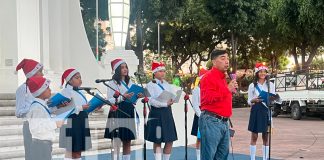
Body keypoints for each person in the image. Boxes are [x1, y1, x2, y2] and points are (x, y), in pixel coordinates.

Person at [199, 49, 238, 159]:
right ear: (214, 61)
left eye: (228, 59)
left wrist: (229, 90)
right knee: (209, 156)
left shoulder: (223, 78)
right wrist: (227, 89)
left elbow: (222, 97)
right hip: (211, 121)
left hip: (224, 122)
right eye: (223, 58)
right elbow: (207, 98)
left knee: (222, 156)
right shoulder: (208, 77)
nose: (227, 61)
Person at [104, 59, 141, 160]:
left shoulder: (130, 82)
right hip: (117, 111)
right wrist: (122, 97)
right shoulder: (112, 83)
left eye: (126, 67)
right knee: (116, 141)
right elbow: (109, 100)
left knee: (127, 140)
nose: (125, 69)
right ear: (116, 70)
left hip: (128, 111)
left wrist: (136, 97)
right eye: (122, 67)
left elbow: (132, 101)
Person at [26, 76, 64, 160]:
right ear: (41, 91)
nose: (50, 90)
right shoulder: (37, 108)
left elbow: (44, 117)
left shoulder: (40, 105)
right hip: (40, 146)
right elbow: (36, 128)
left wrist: (58, 107)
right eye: (47, 88)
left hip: (43, 145)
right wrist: (55, 124)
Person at [145, 62, 178, 160]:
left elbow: (172, 95)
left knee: (170, 139)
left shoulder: (167, 84)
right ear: (154, 73)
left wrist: (173, 99)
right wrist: (164, 104)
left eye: (164, 71)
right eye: (160, 71)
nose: (163, 73)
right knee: (157, 139)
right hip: (156, 112)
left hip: (167, 112)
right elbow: (151, 101)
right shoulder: (150, 85)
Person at [59, 68, 92, 160]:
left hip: (81, 120)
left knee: (78, 151)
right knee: (71, 151)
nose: (80, 79)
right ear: (69, 80)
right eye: (77, 78)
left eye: (80, 77)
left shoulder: (80, 91)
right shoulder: (66, 91)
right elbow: (65, 109)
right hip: (72, 122)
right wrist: (81, 108)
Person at [15, 58, 44, 160]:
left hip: (42, 125)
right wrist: (34, 109)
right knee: (32, 155)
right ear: (33, 73)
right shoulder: (22, 89)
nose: (42, 74)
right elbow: (18, 112)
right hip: (30, 126)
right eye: (40, 71)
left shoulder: (42, 89)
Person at [247, 63, 275, 160]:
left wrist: (273, 99)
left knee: (266, 137)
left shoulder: (270, 85)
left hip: (266, 111)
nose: (263, 73)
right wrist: (253, 100)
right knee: (254, 136)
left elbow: (273, 98)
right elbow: (249, 100)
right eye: (260, 72)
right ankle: (252, 158)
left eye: (264, 72)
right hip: (256, 111)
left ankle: (265, 158)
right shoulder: (252, 85)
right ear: (257, 73)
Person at [191, 68, 208, 160]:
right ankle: (198, 158)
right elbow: (195, 105)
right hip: (200, 115)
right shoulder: (196, 89)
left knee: (209, 138)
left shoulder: (209, 88)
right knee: (200, 138)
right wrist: (201, 115)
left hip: (209, 114)